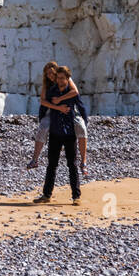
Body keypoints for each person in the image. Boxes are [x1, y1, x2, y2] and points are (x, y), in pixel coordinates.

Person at [33, 68, 82, 206]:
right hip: (55, 132)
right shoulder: (52, 91)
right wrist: (58, 107)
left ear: (68, 79)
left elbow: (76, 94)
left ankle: (76, 196)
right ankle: (46, 195)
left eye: (63, 78)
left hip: (69, 133)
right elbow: (43, 101)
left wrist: (59, 100)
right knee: (51, 165)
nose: (60, 80)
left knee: (72, 165)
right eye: (58, 77)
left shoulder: (70, 93)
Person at [26, 60, 59, 169]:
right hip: (50, 111)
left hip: (64, 110)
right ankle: (34, 160)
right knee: (42, 128)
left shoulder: (63, 80)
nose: (49, 75)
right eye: (47, 73)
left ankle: (81, 160)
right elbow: (43, 101)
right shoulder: (47, 84)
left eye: (51, 72)